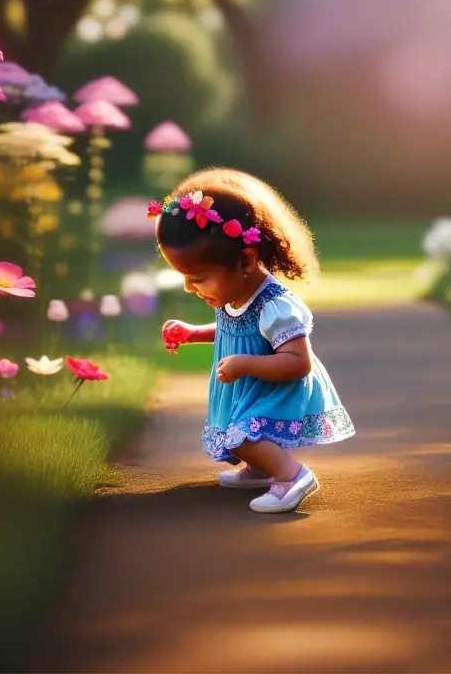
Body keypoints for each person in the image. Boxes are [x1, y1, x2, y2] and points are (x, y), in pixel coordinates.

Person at [150, 167, 355, 513]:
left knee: (244, 435)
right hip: (252, 384)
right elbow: (237, 332)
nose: (189, 288)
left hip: (279, 386)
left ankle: (292, 475)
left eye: (197, 277)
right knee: (237, 432)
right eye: (184, 277)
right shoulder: (233, 294)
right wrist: (194, 333)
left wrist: (245, 364)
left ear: (246, 258)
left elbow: (298, 362)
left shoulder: (276, 306)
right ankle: (261, 469)